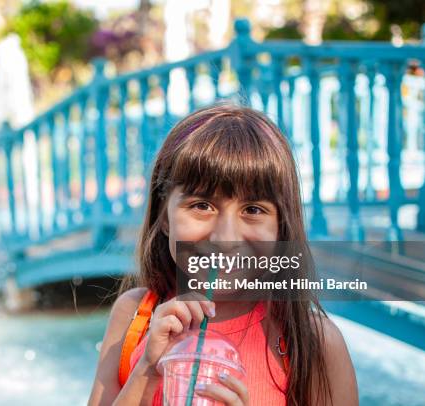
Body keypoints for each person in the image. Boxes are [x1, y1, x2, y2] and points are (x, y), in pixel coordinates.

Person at [87, 104, 358, 405]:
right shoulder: (135, 315)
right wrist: (148, 368)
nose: (225, 238)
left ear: (281, 227)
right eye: (202, 205)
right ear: (164, 215)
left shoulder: (312, 342)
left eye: (253, 210)